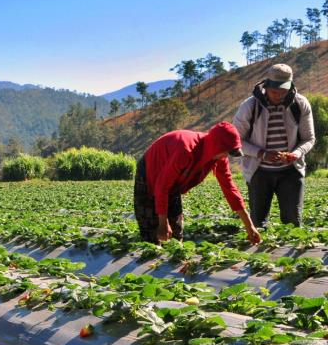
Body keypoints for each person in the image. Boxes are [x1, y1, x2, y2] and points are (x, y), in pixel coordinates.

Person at [134, 122, 262, 246]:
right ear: (216, 145)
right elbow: (162, 186)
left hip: (173, 183)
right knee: (153, 232)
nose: (225, 156)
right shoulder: (185, 150)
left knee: (176, 235)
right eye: (225, 151)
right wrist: (163, 222)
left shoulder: (219, 158)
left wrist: (250, 227)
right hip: (150, 171)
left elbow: (230, 189)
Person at [232, 63, 315, 228]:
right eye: (274, 91)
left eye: (283, 91)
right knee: (258, 222)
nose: (278, 95)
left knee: (293, 222)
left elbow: (309, 138)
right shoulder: (250, 106)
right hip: (259, 172)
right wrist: (261, 153)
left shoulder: (300, 104)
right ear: (266, 86)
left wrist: (296, 154)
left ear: (290, 86)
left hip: (291, 172)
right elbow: (236, 140)